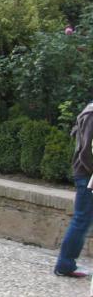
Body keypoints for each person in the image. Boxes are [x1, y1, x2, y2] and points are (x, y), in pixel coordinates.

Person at [54, 101, 93, 278]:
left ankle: (65, 264)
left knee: (82, 219)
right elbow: (86, 152)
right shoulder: (92, 114)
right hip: (87, 175)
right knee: (82, 219)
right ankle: (65, 265)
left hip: (86, 174)